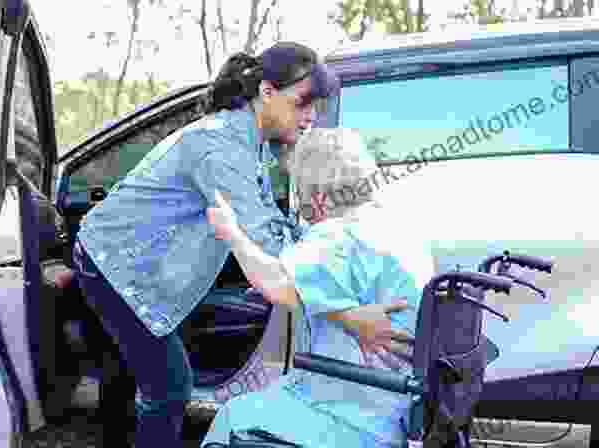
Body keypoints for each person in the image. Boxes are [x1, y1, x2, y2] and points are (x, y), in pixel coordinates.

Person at [70, 42, 413, 448]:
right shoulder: (223, 148)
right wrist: (349, 315)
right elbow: (266, 246)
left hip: (140, 263)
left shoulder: (249, 141)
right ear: (266, 91)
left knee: (133, 376)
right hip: (115, 265)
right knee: (170, 387)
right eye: (304, 103)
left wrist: (322, 238)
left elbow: (270, 224)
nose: (311, 118)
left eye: (317, 107)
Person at [201, 128, 435, 448]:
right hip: (392, 409)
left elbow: (276, 285)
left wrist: (231, 232)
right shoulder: (397, 229)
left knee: (232, 416)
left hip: (350, 417)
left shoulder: (338, 236)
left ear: (320, 199)